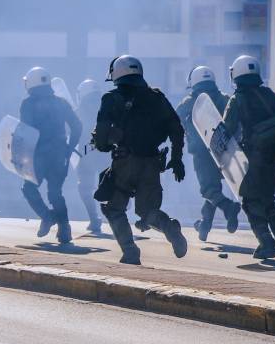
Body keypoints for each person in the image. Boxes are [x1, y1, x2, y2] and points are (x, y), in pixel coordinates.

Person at [92, 55, 187, 265]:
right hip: (152, 163)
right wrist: (177, 158)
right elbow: (177, 129)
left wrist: (105, 144)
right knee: (147, 212)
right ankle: (171, 229)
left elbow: (100, 137)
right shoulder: (157, 97)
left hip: (125, 163)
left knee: (114, 208)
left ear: (116, 73)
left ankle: (130, 251)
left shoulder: (111, 98)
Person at [220, 56, 275, 259]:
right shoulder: (270, 96)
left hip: (249, 157)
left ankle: (266, 243)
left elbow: (226, 130)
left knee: (250, 201)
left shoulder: (237, 99)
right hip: (271, 155)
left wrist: (220, 158)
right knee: (267, 197)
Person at [176, 66, 241, 241]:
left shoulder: (189, 103)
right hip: (226, 151)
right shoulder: (225, 99)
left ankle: (229, 208)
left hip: (202, 154)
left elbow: (175, 121)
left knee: (208, 189)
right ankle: (204, 225)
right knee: (215, 189)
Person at [19, 67, 81, 243]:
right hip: (59, 155)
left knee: (28, 188)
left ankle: (47, 217)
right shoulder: (61, 102)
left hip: (37, 156)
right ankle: (65, 229)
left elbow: (25, 131)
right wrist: (69, 149)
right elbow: (77, 126)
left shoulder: (28, 104)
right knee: (55, 193)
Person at [75, 79, 108, 234]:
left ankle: (94, 220)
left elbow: (76, 130)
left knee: (85, 188)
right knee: (108, 186)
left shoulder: (81, 109)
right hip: (105, 152)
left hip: (86, 154)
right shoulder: (107, 104)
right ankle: (116, 212)